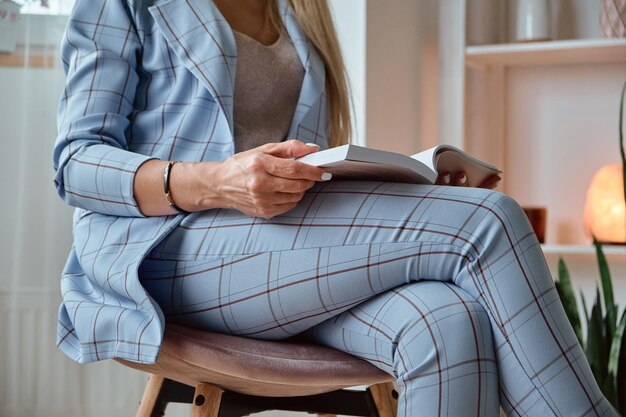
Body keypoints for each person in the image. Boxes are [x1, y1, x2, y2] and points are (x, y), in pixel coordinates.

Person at [52, 1, 619, 416]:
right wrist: (216, 182)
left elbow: (307, 162)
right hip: (170, 249)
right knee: (488, 221)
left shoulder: (300, 14)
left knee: (447, 321)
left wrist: (396, 178)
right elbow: (75, 162)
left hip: (276, 255)